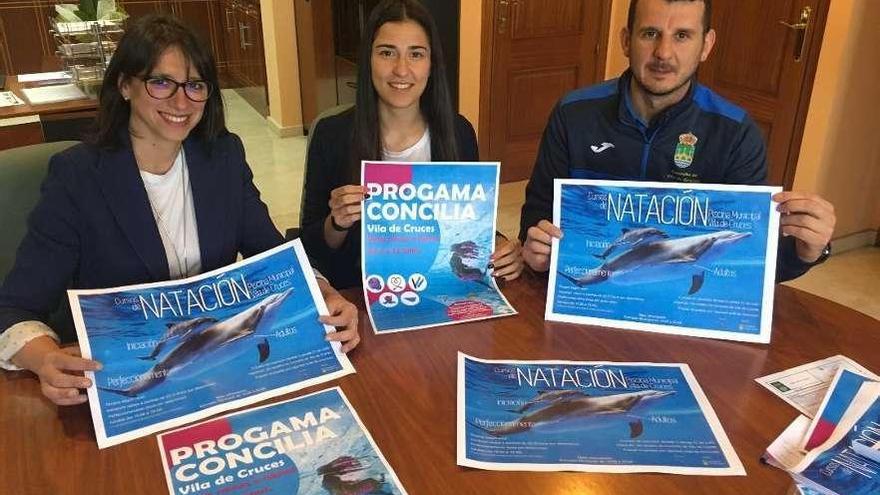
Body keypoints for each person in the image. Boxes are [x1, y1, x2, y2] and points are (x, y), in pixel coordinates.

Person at [0, 15, 359, 406]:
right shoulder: (78, 176)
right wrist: (44, 359)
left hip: (210, 379)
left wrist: (324, 294)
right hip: (114, 390)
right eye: (160, 82)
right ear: (124, 85)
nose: (181, 101)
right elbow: (13, 308)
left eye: (195, 85)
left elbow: (270, 254)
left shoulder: (222, 155)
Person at [520, 0, 835, 281]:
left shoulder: (735, 133)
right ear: (626, 41)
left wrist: (806, 252)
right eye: (650, 33)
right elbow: (536, 215)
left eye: (682, 35)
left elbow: (747, 264)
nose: (663, 53)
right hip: (587, 311)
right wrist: (536, 247)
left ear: (706, 45)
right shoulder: (573, 113)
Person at [300, 0, 524, 290]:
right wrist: (338, 222)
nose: (401, 69)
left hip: (441, 292)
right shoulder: (331, 136)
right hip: (361, 301)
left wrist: (500, 246)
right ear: (368, 60)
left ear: (432, 65)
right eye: (386, 53)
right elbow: (310, 248)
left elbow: (467, 224)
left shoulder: (459, 133)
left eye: (416, 54)